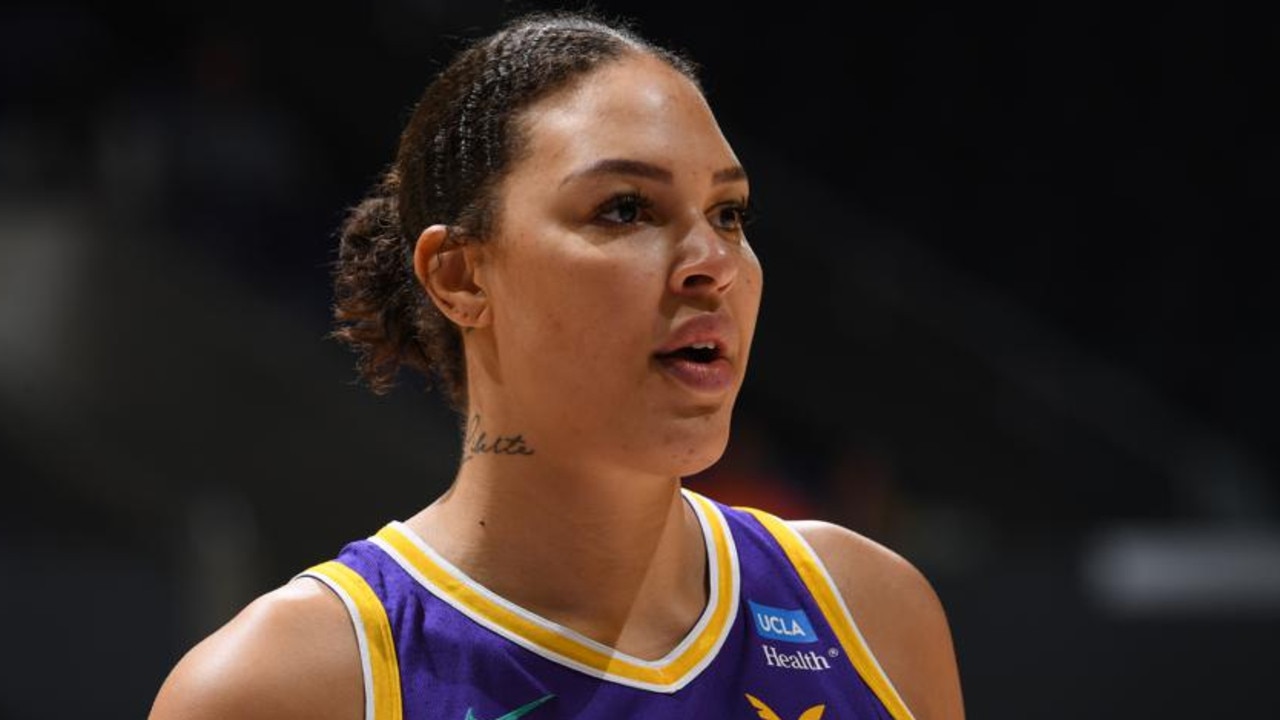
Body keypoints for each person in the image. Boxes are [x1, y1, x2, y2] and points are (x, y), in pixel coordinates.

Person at [149, 9, 965, 720]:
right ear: (462, 277)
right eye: (625, 209)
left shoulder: (871, 612)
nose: (711, 260)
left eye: (728, 212)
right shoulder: (280, 687)